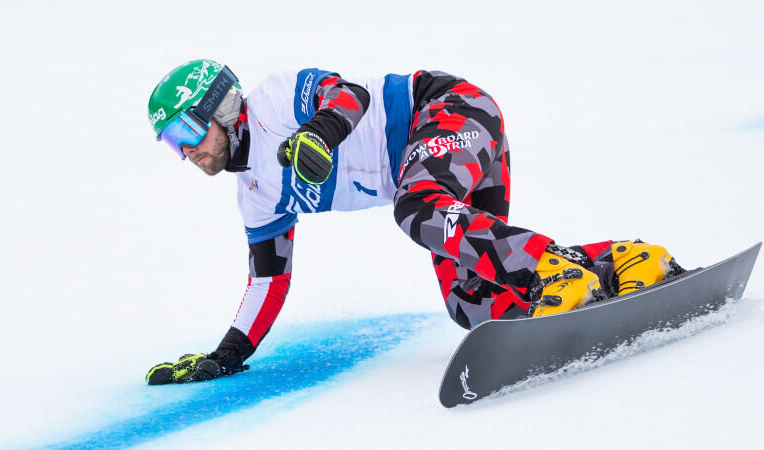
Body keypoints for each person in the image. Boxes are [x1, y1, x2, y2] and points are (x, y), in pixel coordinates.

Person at [144, 59, 684, 385]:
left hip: (451, 109)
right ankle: (627, 263)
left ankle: (556, 271)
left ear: (221, 110)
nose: (186, 152)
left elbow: (347, 94)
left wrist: (321, 135)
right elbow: (268, 279)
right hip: (435, 165)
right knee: (470, 301)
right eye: (172, 144)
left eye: (187, 133)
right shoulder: (256, 196)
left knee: (416, 206)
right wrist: (226, 356)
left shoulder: (270, 101)